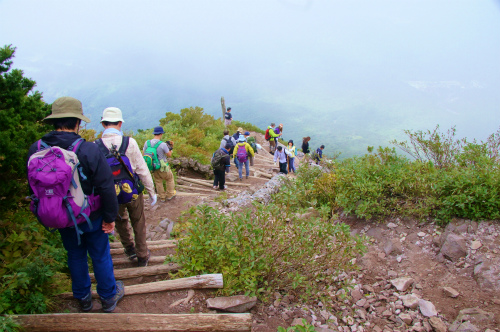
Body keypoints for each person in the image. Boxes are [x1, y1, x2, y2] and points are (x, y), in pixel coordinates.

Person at [27, 96, 124, 313]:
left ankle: (83, 298)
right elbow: (106, 187)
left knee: (75, 255)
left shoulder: (36, 148)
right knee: (100, 254)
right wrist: (110, 218)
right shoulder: (88, 149)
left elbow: (33, 188)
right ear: (78, 122)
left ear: (53, 121)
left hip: (62, 217)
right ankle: (108, 297)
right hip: (92, 215)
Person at [99, 107, 157, 267]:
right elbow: (142, 169)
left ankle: (129, 249)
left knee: (120, 221)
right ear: (120, 123)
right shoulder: (129, 143)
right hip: (132, 192)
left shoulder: (96, 145)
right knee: (138, 221)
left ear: (103, 124)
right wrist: (152, 192)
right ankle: (142, 255)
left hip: (111, 194)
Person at [143, 126, 176, 202]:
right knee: (169, 178)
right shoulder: (163, 144)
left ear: (154, 133)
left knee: (158, 181)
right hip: (163, 166)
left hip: (153, 166)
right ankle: (170, 195)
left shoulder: (147, 143)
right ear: (161, 134)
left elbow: (144, 153)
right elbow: (169, 154)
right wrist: (170, 149)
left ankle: (162, 197)